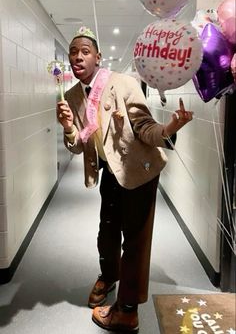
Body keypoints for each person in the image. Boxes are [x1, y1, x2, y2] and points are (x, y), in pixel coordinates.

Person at [57, 27, 193, 333]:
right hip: (110, 170)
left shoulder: (123, 83)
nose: (78, 56)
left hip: (139, 170)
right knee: (107, 229)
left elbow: (145, 127)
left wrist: (170, 127)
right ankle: (108, 276)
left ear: (98, 57)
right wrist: (68, 127)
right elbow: (78, 145)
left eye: (85, 51)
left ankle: (128, 310)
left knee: (135, 240)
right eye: (73, 52)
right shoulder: (72, 95)